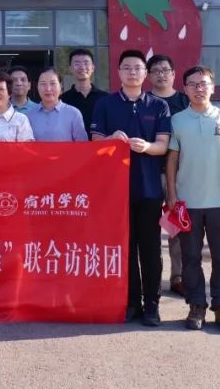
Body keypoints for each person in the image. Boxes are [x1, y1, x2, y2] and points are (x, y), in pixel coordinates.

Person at [91, 49, 171, 327]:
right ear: (119, 73)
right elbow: (95, 143)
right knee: (125, 248)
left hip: (149, 189)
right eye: (127, 68)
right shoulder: (105, 104)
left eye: (137, 68)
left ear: (145, 73)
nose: (132, 72)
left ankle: (152, 304)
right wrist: (111, 140)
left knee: (150, 250)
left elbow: (163, 146)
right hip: (116, 191)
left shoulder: (158, 106)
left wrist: (147, 147)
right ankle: (131, 302)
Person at [166, 65, 220, 334]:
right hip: (188, 201)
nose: (199, 89)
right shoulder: (177, 120)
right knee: (190, 258)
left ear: (212, 87)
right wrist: (172, 194)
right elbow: (172, 159)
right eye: (193, 84)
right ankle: (196, 305)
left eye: (204, 84)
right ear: (185, 89)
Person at [148, 53, 191, 298]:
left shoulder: (185, 101)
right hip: (150, 174)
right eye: (155, 70)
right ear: (148, 76)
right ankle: (152, 278)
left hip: (181, 175)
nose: (161, 74)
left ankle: (179, 276)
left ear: (174, 74)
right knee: (149, 228)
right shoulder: (144, 102)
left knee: (178, 228)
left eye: (165, 70)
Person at [27, 67, 88, 141]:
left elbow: (82, 145)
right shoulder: (29, 115)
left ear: (60, 86)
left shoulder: (73, 113)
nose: (48, 89)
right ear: (37, 87)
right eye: (43, 84)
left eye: (53, 83)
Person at [61, 48, 107, 137]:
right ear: (70, 68)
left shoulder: (105, 99)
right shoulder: (62, 100)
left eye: (86, 63)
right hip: (72, 145)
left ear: (93, 67)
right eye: (77, 64)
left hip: (99, 145)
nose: (82, 67)